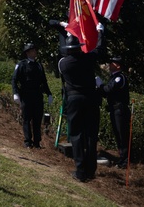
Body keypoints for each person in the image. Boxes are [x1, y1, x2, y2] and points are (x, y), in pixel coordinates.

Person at [58, 23, 106, 182]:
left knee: (76, 134)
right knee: (91, 135)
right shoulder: (88, 58)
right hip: (91, 98)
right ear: (79, 47)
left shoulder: (63, 63)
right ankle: (91, 170)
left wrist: (63, 29)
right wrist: (99, 33)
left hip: (74, 100)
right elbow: (99, 50)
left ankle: (80, 170)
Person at [11, 43, 53, 149]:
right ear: (28, 52)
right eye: (33, 50)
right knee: (26, 119)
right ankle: (27, 141)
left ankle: (37, 142)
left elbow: (44, 81)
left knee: (37, 119)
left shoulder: (39, 65)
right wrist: (16, 93)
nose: (35, 52)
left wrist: (49, 93)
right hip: (26, 94)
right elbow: (14, 80)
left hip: (37, 95)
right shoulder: (21, 65)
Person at [100, 56, 130, 168]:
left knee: (122, 135)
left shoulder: (119, 78)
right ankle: (121, 158)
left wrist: (100, 85)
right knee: (118, 135)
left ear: (118, 65)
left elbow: (109, 89)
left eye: (112, 63)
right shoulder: (113, 77)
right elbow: (105, 93)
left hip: (120, 110)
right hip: (114, 110)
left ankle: (125, 161)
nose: (109, 65)